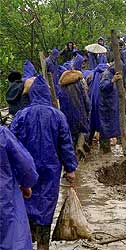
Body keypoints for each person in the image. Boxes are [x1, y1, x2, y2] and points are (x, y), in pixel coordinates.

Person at [10, 75, 78, 250]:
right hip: (50, 171)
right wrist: (70, 169)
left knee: (26, 205)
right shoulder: (58, 116)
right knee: (46, 207)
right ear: (47, 94)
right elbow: (66, 144)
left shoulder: (21, 115)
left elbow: (12, 145)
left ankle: (26, 242)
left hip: (26, 171)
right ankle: (42, 245)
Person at [0, 126, 39, 250]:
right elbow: (26, 164)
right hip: (5, 197)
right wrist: (26, 184)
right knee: (13, 238)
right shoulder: (2, 134)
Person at [59, 66, 91, 158]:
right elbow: (85, 98)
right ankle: (80, 146)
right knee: (83, 129)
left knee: (72, 132)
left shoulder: (62, 87)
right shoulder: (79, 84)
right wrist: (88, 109)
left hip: (67, 113)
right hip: (79, 110)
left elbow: (60, 101)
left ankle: (72, 155)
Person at [98, 66, 122, 153]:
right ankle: (105, 150)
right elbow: (102, 86)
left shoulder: (110, 74)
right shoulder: (106, 75)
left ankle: (105, 148)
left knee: (108, 128)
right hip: (106, 107)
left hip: (110, 106)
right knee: (105, 128)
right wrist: (112, 81)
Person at [88, 63, 109, 145]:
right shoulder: (105, 75)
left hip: (93, 101)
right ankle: (104, 146)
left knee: (92, 122)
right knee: (103, 124)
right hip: (102, 102)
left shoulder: (95, 73)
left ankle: (89, 141)